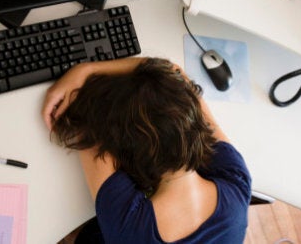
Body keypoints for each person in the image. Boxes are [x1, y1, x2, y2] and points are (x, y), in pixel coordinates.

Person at [42, 57, 251, 243]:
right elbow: (174, 72)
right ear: (196, 124)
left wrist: (86, 70)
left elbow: (80, 109)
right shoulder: (237, 182)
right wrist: (85, 73)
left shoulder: (130, 227)